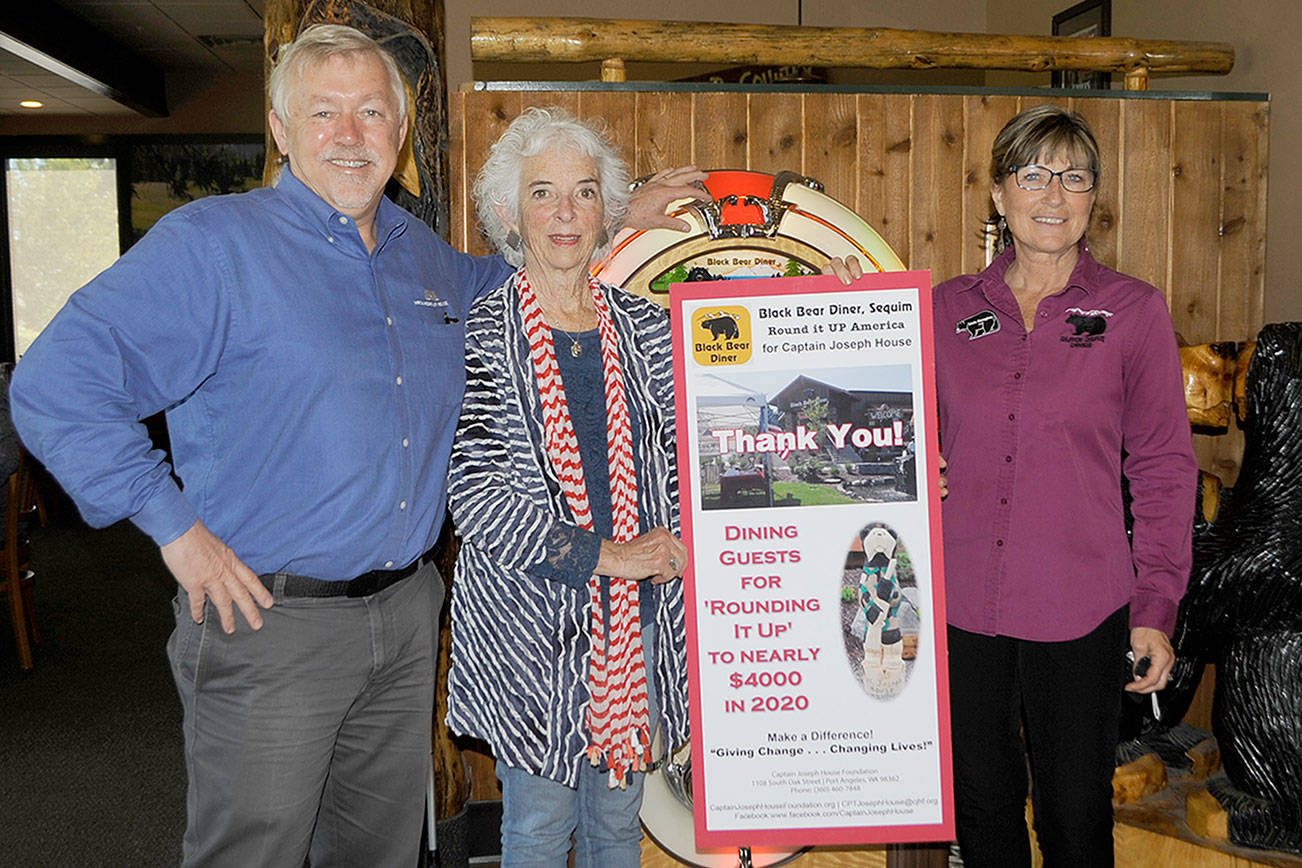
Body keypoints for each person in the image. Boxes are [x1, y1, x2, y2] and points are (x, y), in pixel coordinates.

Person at [8, 24, 704, 867]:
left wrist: (618, 216)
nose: (350, 134)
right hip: (268, 625)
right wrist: (174, 530)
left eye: (372, 112)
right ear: (279, 129)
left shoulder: (425, 261)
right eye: (324, 112)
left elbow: (539, 274)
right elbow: (55, 385)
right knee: (252, 855)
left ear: (400, 133)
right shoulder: (215, 246)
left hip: (404, 622)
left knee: (380, 854)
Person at [932, 104, 1197, 867]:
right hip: (961, 604)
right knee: (980, 808)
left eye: (1074, 178)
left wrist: (1156, 607)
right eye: (1033, 175)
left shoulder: (1134, 311)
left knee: (1076, 816)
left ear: (1092, 197)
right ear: (998, 194)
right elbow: (887, 423)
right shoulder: (943, 309)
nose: (1053, 195)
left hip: (1081, 607)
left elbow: (1164, 467)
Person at [445, 107, 690, 867]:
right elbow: (476, 495)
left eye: (584, 193)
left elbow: (704, 448)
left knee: (618, 828)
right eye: (543, 193)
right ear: (508, 212)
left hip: (635, 629)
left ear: (606, 211)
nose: (565, 213)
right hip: (530, 635)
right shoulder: (481, 332)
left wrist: (846, 293)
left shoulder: (650, 328)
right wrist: (612, 557)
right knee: (538, 831)